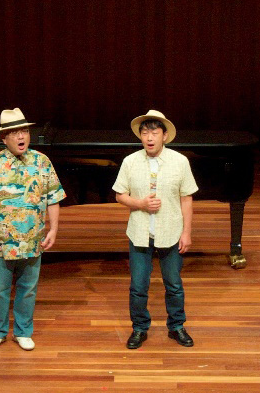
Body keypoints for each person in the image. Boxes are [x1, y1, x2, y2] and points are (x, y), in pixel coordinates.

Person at [0, 107, 66, 352]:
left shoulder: (42, 161)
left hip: (33, 239)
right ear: (4, 138)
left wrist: (53, 229)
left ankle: (23, 332)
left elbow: (53, 198)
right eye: (14, 133)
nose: (21, 136)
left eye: (24, 130)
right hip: (2, 241)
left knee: (28, 289)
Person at [112, 109, 199, 349]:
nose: (149, 138)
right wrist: (139, 203)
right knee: (138, 287)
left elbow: (186, 199)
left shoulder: (180, 161)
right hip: (140, 232)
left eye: (154, 133)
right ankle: (139, 328)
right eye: (145, 133)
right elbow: (119, 194)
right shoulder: (130, 161)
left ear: (164, 135)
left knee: (174, 285)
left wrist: (187, 232)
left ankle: (177, 326)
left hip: (171, 231)